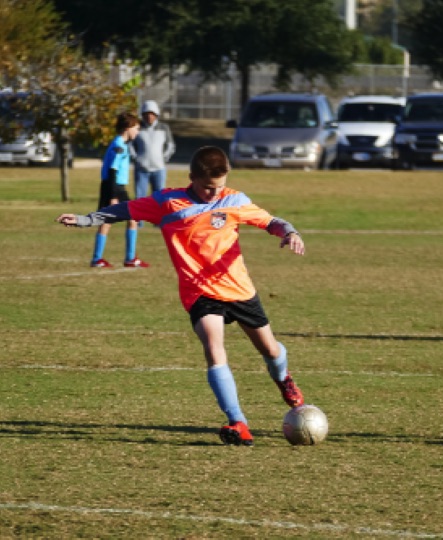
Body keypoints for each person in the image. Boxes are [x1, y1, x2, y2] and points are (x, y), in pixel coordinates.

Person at [56, 146, 305, 446]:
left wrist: (289, 232)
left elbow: (271, 221)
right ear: (192, 178)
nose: (214, 193)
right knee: (213, 349)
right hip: (199, 292)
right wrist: (87, 219)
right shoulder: (167, 201)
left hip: (238, 289)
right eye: (208, 187)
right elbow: (126, 209)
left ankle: (283, 379)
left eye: (220, 186)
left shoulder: (234, 200)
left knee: (271, 351)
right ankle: (238, 422)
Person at [90, 112, 149, 268]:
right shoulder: (119, 146)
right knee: (119, 219)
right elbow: (112, 170)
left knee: (124, 219)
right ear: (127, 128)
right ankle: (116, 258)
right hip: (114, 187)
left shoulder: (120, 143)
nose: (137, 132)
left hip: (114, 186)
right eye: (136, 128)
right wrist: (113, 195)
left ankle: (104, 258)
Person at [131, 100, 176, 199]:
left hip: (159, 169)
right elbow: (130, 145)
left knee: (159, 199)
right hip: (141, 170)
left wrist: (163, 159)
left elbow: (170, 145)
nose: (149, 116)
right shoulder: (137, 128)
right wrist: (136, 159)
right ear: (142, 115)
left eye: (152, 114)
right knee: (140, 199)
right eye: (146, 114)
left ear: (156, 114)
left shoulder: (164, 128)